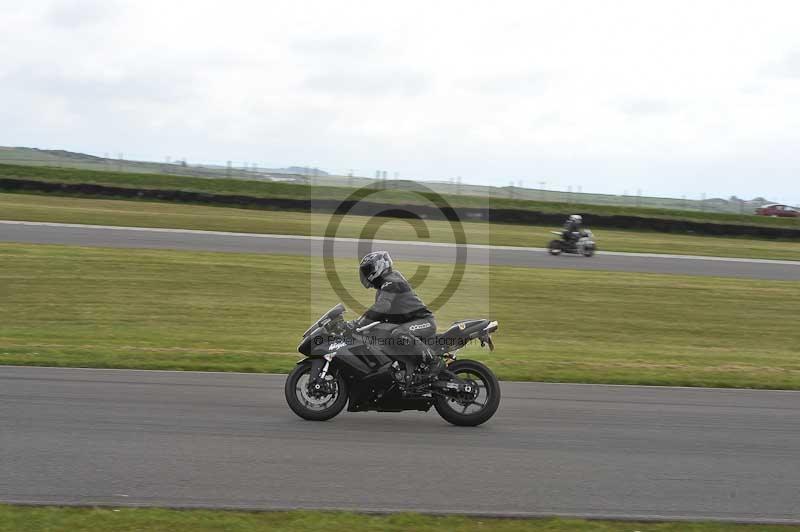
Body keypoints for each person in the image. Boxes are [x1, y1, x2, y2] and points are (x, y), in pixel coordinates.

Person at [347, 251, 441, 381]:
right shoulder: (383, 288)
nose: (366, 274)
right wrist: (360, 327)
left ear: (379, 266)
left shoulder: (392, 280)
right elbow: (379, 316)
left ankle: (433, 361)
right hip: (409, 323)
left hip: (423, 321)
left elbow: (381, 307)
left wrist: (358, 323)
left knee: (399, 334)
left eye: (368, 269)